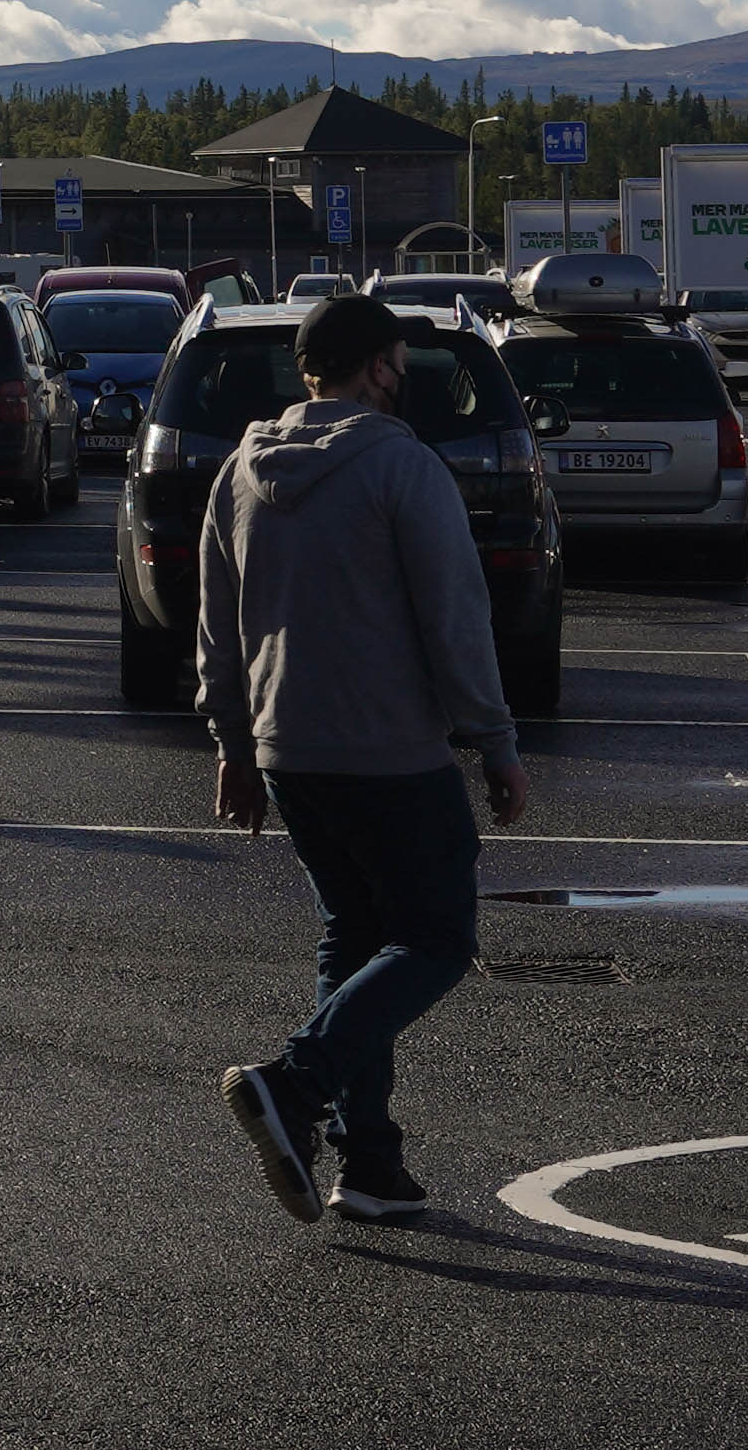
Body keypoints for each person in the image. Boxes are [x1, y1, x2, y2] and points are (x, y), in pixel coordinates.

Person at [201, 290, 530, 1227]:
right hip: (390, 753)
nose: (402, 375)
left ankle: (372, 1165)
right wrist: (496, 742)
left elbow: (217, 624)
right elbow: (455, 616)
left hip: (289, 751)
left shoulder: (240, 469)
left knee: (353, 940)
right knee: (435, 940)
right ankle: (294, 1086)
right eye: (399, 361)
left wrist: (233, 744)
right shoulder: (403, 465)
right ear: (379, 367)